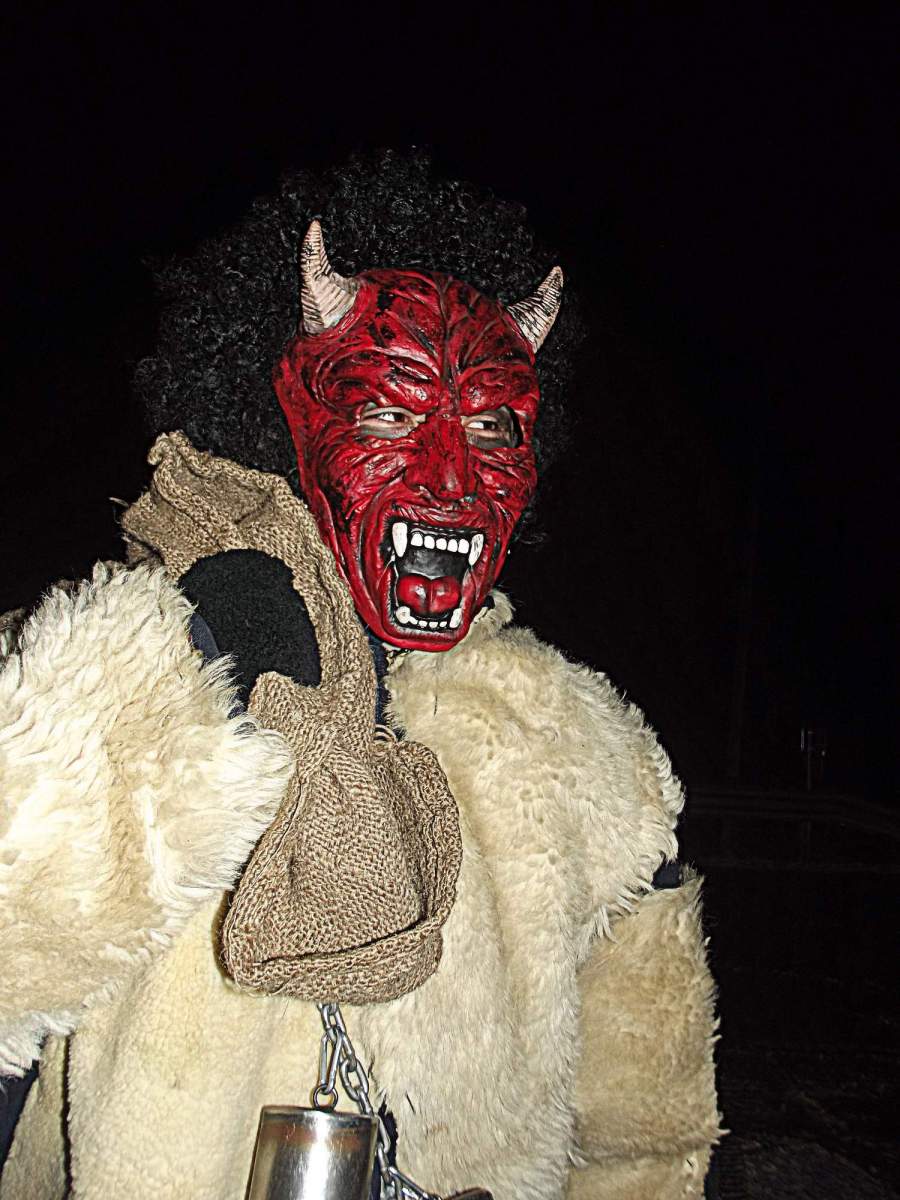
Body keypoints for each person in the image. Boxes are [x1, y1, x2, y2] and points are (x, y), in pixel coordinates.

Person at [0, 152, 720, 1199]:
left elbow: (644, 1137)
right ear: (286, 417)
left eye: (491, 427)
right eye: (387, 414)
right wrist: (201, 665)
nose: (450, 476)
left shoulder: (582, 749)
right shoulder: (119, 670)